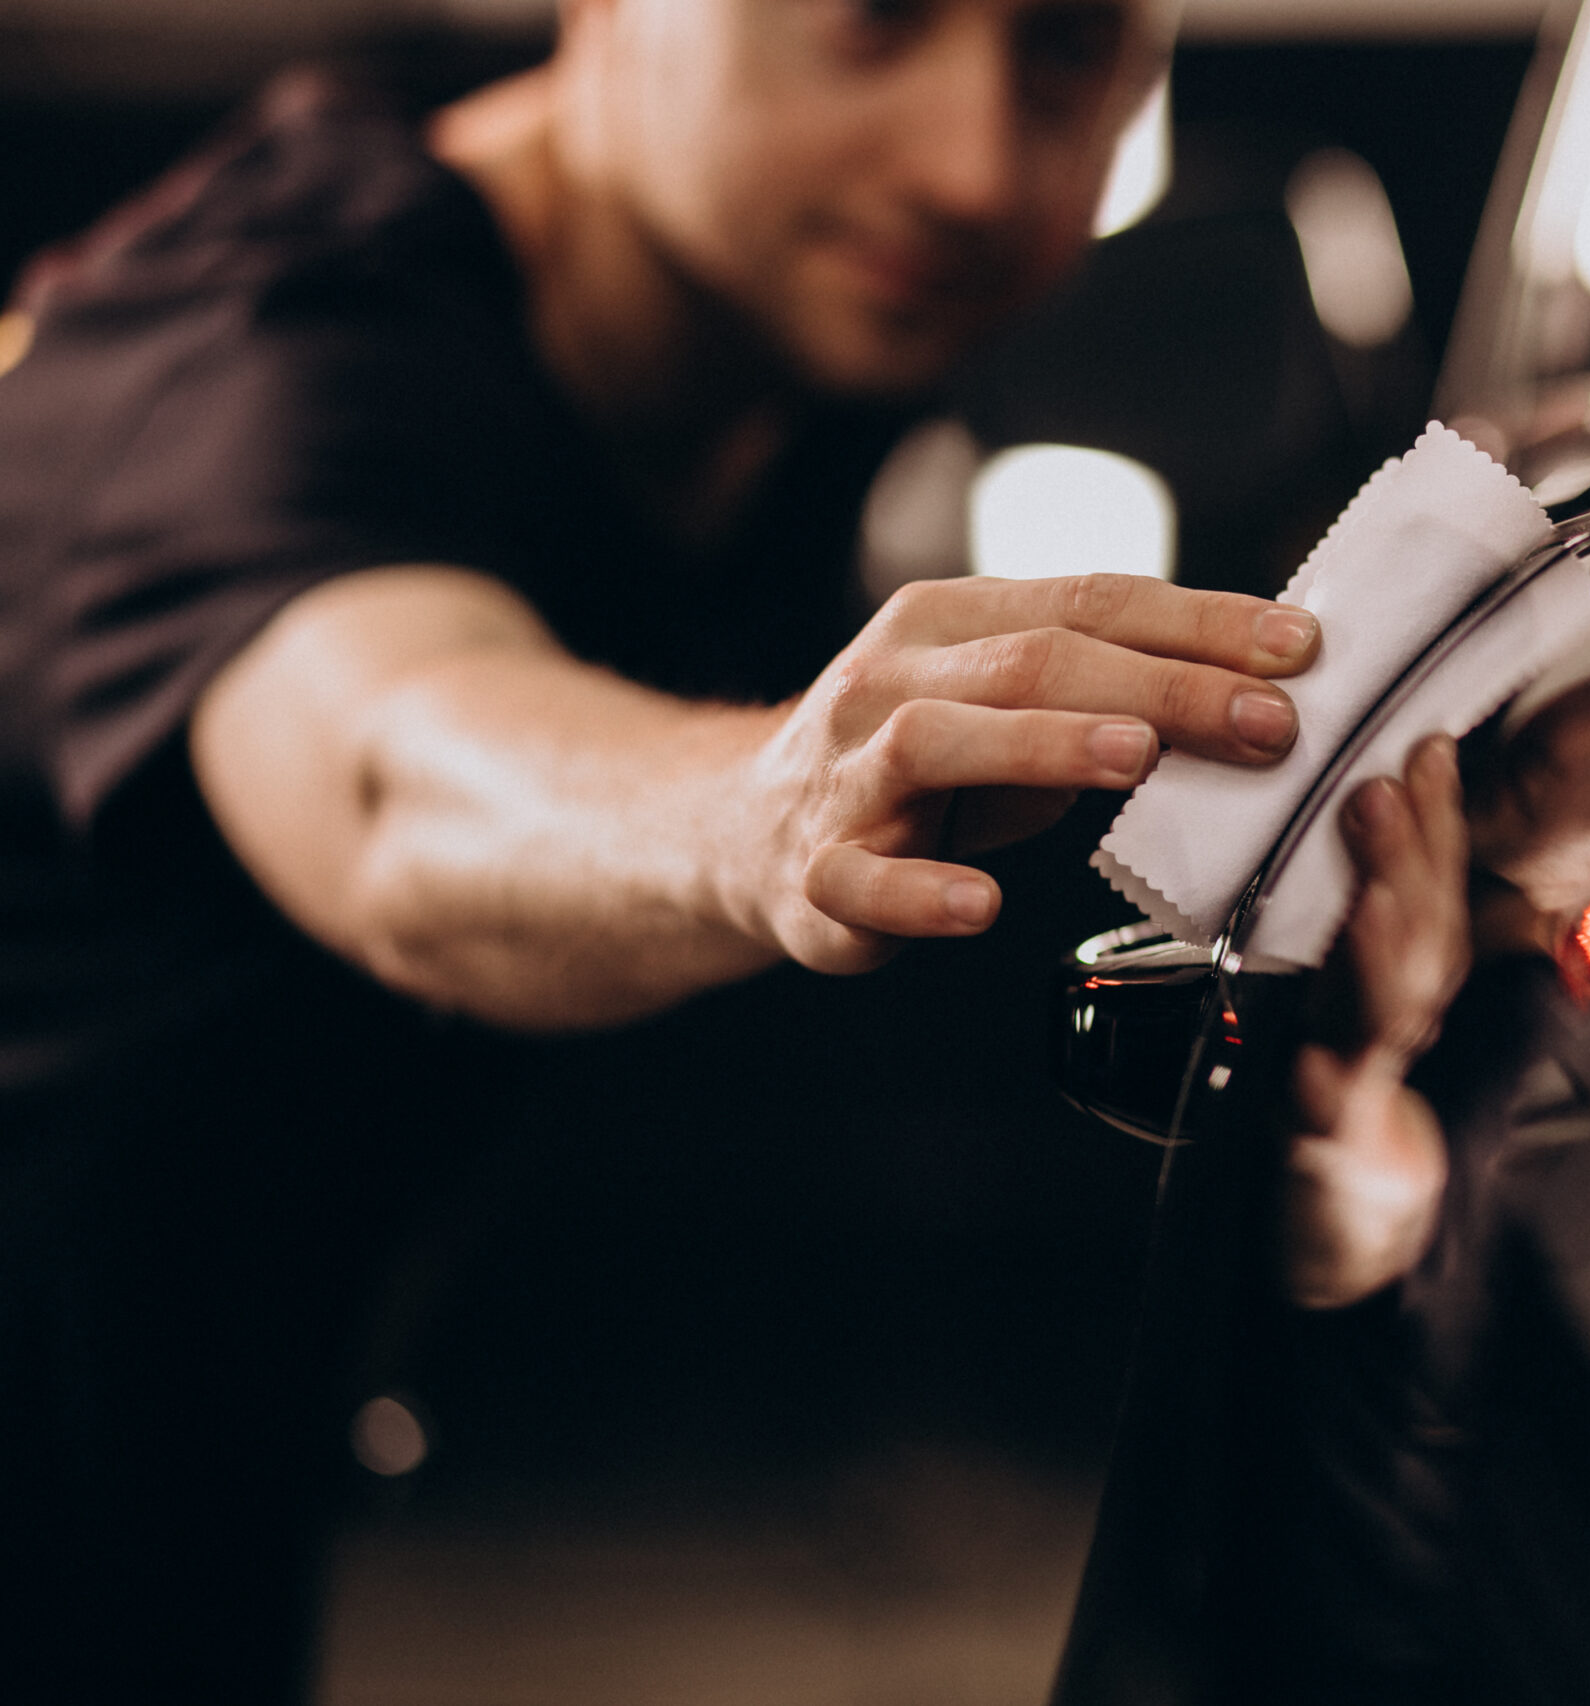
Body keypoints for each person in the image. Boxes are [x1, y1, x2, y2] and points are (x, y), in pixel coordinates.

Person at [0, 0, 1327, 1698]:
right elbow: (399, 777)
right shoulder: (271, 360)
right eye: (872, 18)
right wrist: (757, 804)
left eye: (1066, 50)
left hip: (167, 1453)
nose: (975, 165)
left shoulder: (759, 345)